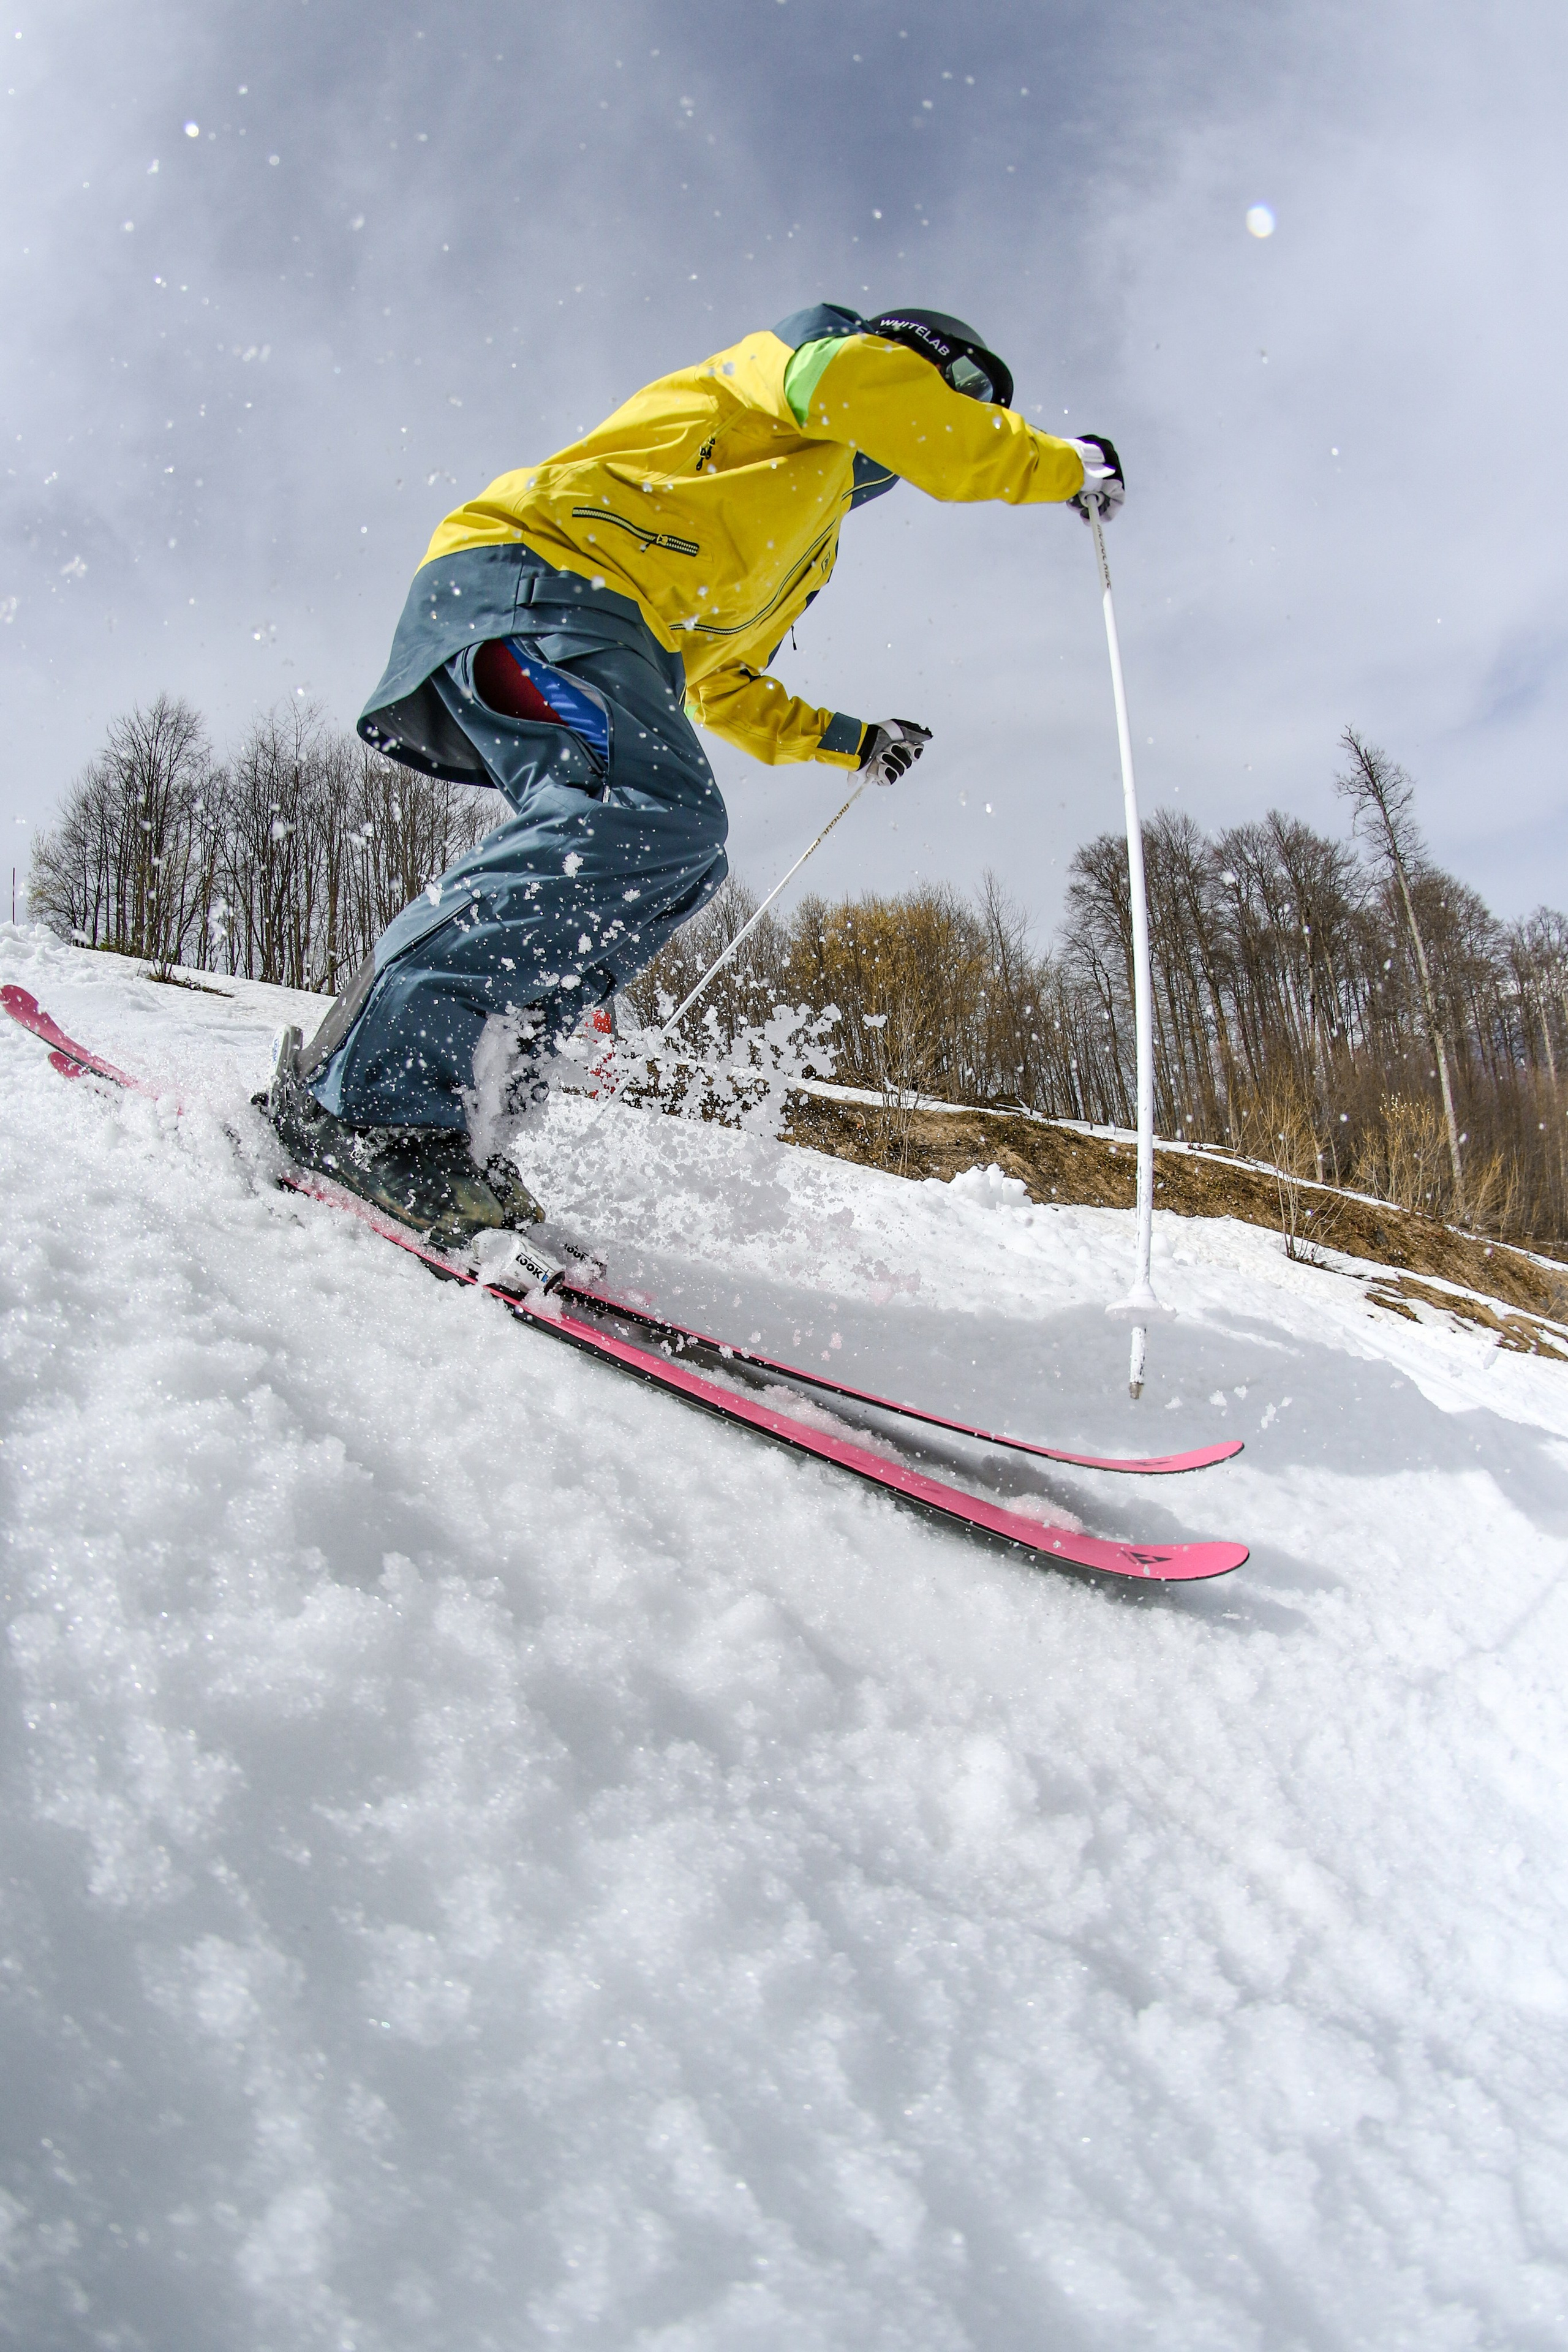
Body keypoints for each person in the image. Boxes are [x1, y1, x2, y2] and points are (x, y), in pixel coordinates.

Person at [265, 304, 1122, 1250]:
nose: (954, 418)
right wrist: (1054, 464)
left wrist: (851, 739)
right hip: (545, 578)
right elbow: (863, 389)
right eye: (959, 394)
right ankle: (368, 1105)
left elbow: (722, 684)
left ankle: (455, 1122)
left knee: (670, 855)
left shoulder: (806, 520)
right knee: (647, 815)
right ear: (914, 358)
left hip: (603, 626)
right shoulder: (807, 367)